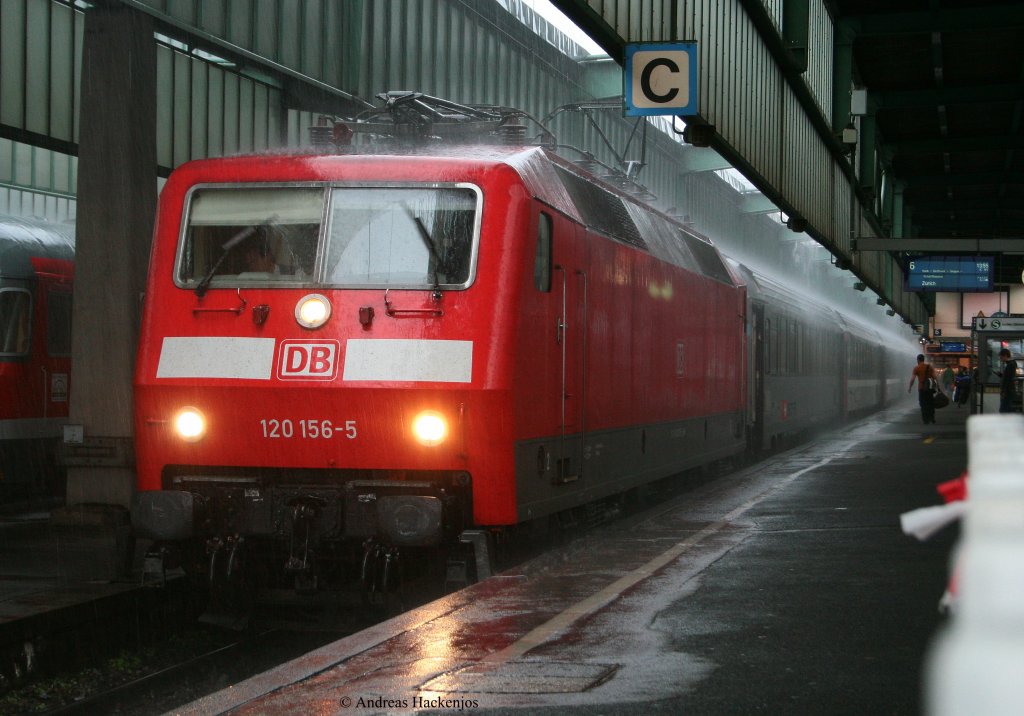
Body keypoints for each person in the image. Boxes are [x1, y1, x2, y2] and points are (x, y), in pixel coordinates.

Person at [908, 354, 939, 424]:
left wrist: (910, 387)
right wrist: (938, 387)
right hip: (930, 389)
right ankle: (932, 417)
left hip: (921, 389)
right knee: (930, 403)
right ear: (923, 359)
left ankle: (925, 419)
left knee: (923, 404)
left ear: (918, 360)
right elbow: (935, 377)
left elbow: (912, 379)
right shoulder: (929, 367)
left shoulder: (917, 368)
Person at [997, 348, 1019, 413]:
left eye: (1001, 357)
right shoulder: (1011, 364)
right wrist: (1001, 375)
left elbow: (1008, 380)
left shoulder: (1010, 365)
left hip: (1008, 391)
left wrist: (1003, 391)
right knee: (1007, 409)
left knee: (1003, 410)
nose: (1001, 359)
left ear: (1005, 356)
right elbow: (1008, 377)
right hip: (1009, 391)